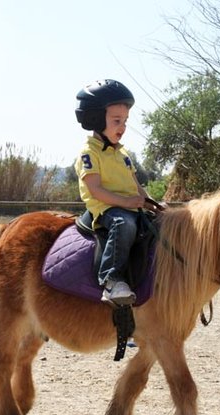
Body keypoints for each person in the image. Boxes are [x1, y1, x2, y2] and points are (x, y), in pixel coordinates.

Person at [74, 79, 159, 306]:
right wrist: (127, 202)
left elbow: (135, 185)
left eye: (125, 121)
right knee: (125, 224)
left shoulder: (123, 154)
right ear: (95, 119)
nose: (122, 127)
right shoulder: (88, 153)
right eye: (116, 121)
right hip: (107, 209)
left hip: (130, 205)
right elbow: (95, 190)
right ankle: (111, 279)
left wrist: (151, 202)